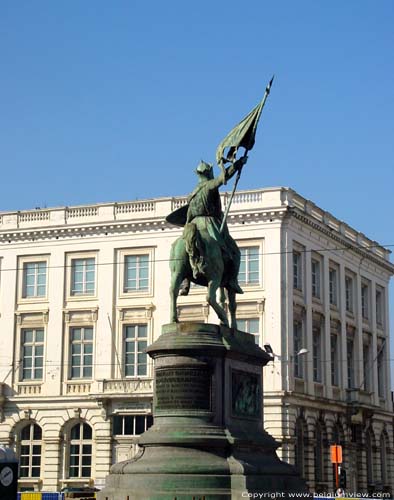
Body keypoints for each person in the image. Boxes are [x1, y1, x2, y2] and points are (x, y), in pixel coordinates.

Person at [179, 157, 247, 295]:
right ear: (209, 173)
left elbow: (188, 216)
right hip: (209, 224)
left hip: (192, 225)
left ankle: (185, 279)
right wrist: (238, 164)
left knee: (188, 247)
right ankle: (233, 280)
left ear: (197, 174)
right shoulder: (209, 185)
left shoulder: (191, 195)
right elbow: (224, 176)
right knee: (234, 251)